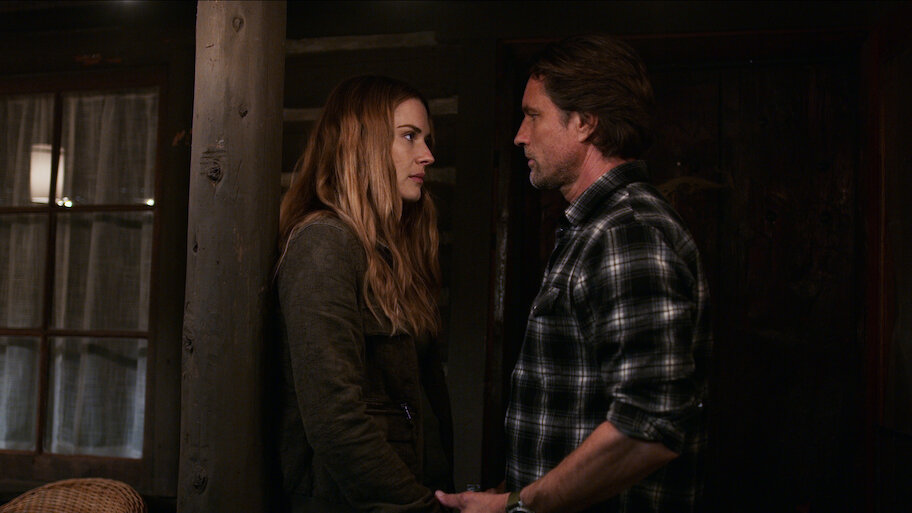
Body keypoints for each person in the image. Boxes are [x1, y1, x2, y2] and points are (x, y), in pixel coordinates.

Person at [436, 34, 712, 513]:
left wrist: (517, 505)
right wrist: (512, 492)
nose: (520, 135)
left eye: (533, 115)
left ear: (585, 122)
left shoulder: (626, 232)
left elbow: (650, 426)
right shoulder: (594, 228)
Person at [275, 75, 454, 513]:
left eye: (426, 139)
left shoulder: (392, 252)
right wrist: (421, 508)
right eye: (409, 136)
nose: (427, 155)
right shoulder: (324, 245)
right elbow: (334, 419)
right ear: (363, 144)